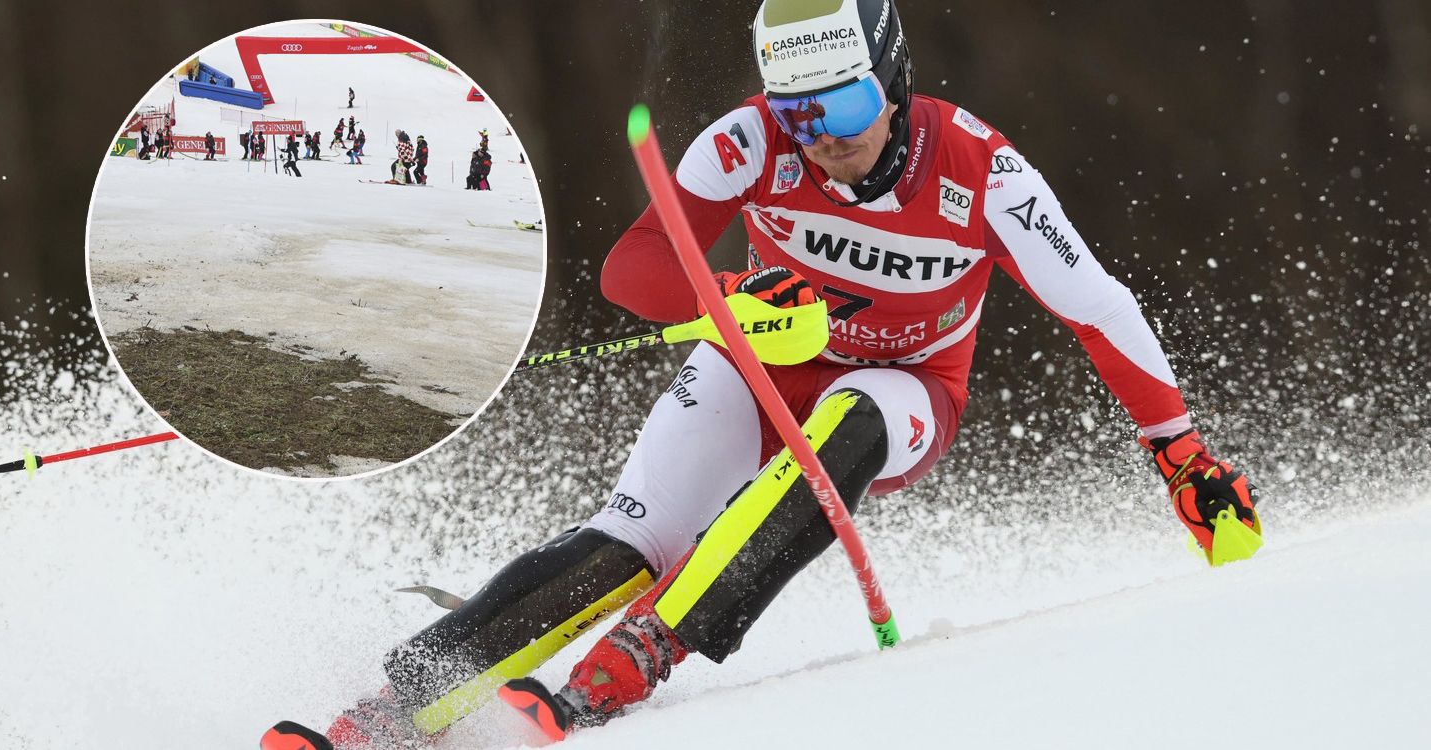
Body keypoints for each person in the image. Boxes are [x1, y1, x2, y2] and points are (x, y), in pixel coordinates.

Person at [262, 0, 1261, 747]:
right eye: (799, 111)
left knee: (855, 418)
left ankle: (637, 659)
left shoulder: (980, 170)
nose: (823, 134)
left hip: (908, 389)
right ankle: (391, 711)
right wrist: (730, 298)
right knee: (636, 536)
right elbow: (633, 268)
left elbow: (1097, 304)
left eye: (847, 101)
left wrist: (1179, 452)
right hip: (756, 369)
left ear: (892, 80)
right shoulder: (749, 142)